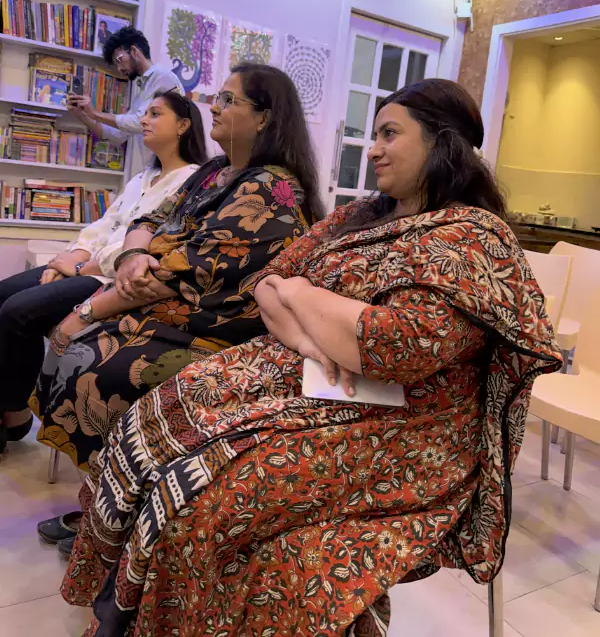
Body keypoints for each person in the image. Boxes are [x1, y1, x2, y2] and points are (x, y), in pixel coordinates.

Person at [59, 79, 562, 637]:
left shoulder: (473, 237)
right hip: (319, 379)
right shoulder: (365, 213)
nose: (372, 148)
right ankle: (121, 615)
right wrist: (307, 335)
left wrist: (301, 295)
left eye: (389, 134)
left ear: (442, 143)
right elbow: (266, 285)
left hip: (408, 427)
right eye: (374, 134)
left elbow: (388, 348)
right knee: (157, 422)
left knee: (210, 498)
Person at [33, 63, 323, 484]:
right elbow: (149, 220)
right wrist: (133, 253)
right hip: (161, 304)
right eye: (217, 96)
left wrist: (88, 311)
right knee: (77, 347)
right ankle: (103, 498)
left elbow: (178, 273)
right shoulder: (214, 169)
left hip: (210, 323)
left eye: (228, 99)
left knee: (100, 365)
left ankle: (118, 502)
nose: (214, 106)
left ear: (264, 117)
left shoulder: (271, 188)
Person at [0, 90, 207, 456]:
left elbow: (144, 247)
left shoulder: (190, 183)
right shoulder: (143, 178)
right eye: (145, 114)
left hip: (110, 281)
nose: (144, 120)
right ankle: (11, 411)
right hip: (85, 267)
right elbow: (103, 226)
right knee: (3, 295)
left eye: (155, 114)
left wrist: (78, 267)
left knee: (18, 312)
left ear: (183, 125)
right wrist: (65, 259)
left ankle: (13, 412)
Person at [68, 26, 183, 179]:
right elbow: (118, 136)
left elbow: (139, 123)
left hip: (171, 174)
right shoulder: (141, 89)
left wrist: (94, 113)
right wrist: (83, 116)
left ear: (135, 51)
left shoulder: (163, 78)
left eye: (119, 60)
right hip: (152, 173)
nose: (119, 69)